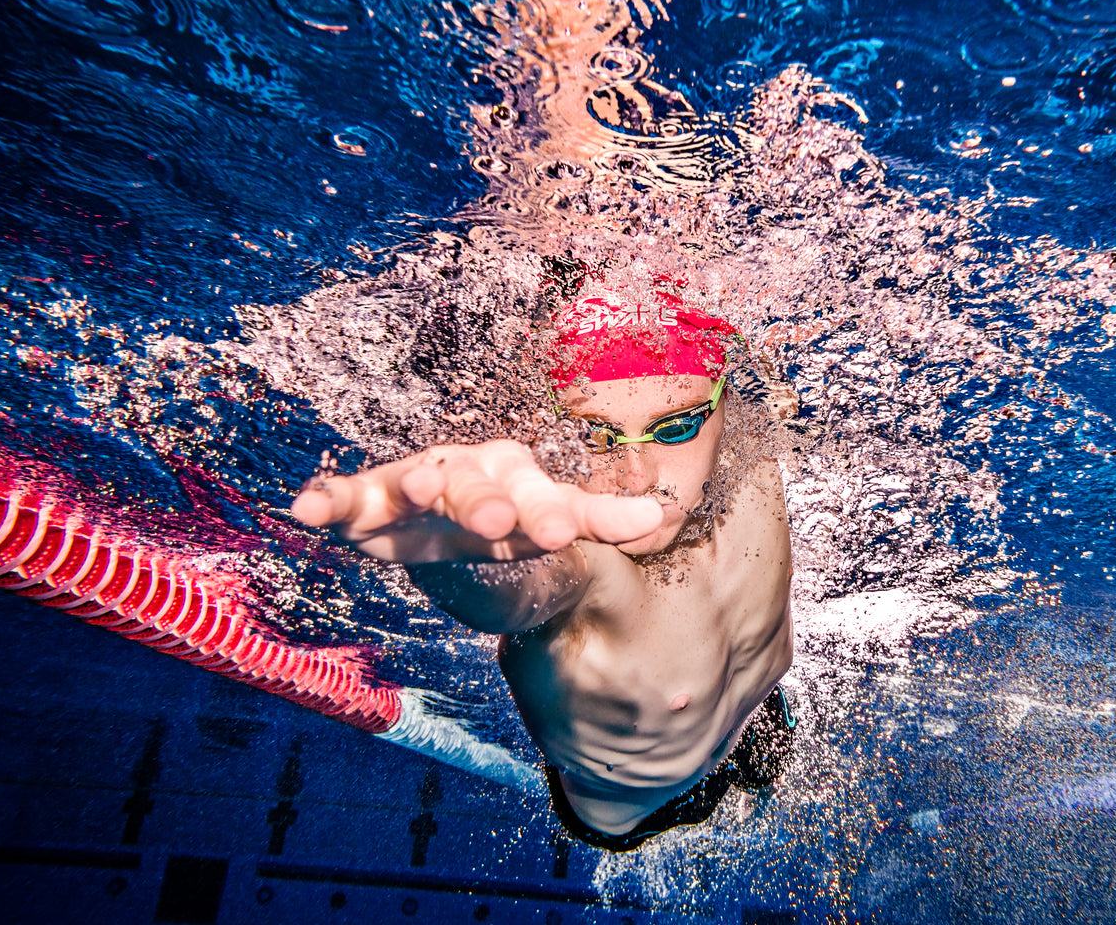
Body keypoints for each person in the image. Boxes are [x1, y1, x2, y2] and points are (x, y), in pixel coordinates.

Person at [290, 289, 795, 850]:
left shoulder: (756, 450)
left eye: (675, 426)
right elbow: (514, 591)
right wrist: (445, 540)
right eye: (593, 434)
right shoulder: (587, 568)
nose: (634, 477)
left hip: (750, 712)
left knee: (767, 759)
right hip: (627, 805)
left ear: (725, 405)